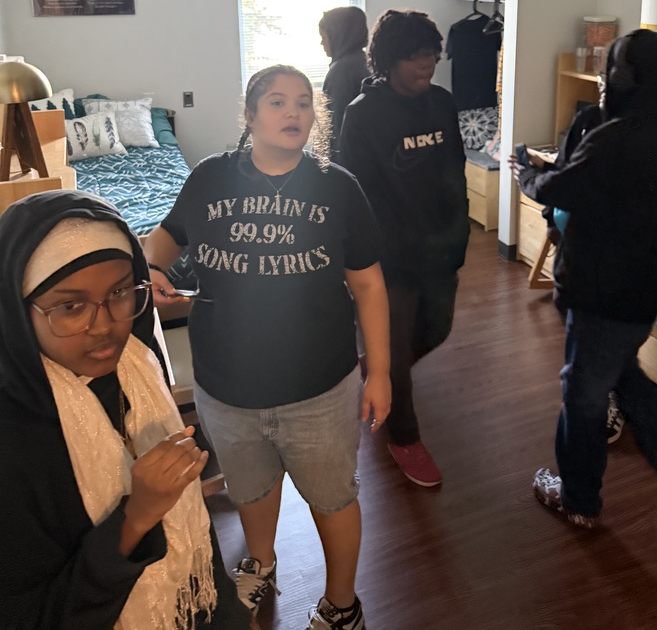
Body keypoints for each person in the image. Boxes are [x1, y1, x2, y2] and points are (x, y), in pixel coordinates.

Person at [144, 64, 390, 630]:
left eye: (304, 103)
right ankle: (261, 562)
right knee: (250, 487)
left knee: (332, 499)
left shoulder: (337, 187)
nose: (293, 113)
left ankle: (343, 604)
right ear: (250, 116)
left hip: (319, 387)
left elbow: (370, 284)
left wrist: (380, 373)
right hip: (225, 386)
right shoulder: (209, 178)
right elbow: (167, 233)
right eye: (277, 102)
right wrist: (152, 264)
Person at [0, 189, 251, 630]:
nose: (106, 326)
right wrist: (136, 517)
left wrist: (226, 608)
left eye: (120, 292)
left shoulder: (138, 366)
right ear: (19, 313)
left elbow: (189, 515)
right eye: (70, 306)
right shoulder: (15, 436)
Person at [515, 30, 657, 537]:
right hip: (645, 288)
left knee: (582, 393)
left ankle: (578, 498)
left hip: (600, 290)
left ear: (624, 78)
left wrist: (524, 172)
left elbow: (559, 187)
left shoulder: (614, 139)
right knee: (622, 375)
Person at [339, 9, 469, 488]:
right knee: (393, 345)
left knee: (435, 331)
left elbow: (455, 171)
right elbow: (356, 190)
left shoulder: (441, 103)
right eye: (416, 58)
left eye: (432, 56)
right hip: (389, 257)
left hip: (440, 247)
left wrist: (460, 232)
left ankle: (380, 374)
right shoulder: (363, 114)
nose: (427, 66)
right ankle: (404, 437)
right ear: (390, 59)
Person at [514, 86, 625, 445]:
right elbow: (555, 196)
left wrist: (531, 181)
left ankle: (608, 405)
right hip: (575, 272)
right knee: (584, 350)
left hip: (604, 273)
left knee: (596, 351)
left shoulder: (616, 164)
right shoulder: (586, 127)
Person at [319, 6, 370, 162]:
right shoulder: (366, 62)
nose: (321, 43)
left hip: (348, 162)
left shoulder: (341, 71)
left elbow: (336, 125)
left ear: (337, 37)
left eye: (324, 37)